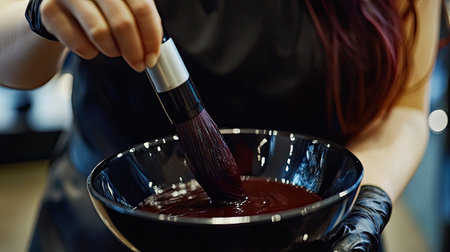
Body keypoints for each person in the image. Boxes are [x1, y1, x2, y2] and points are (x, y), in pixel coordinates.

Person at [0, 0, 441, 251]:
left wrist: (362, 214)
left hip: (316, 237)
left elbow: (401, 111)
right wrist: (42, 12)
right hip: (111, 230)